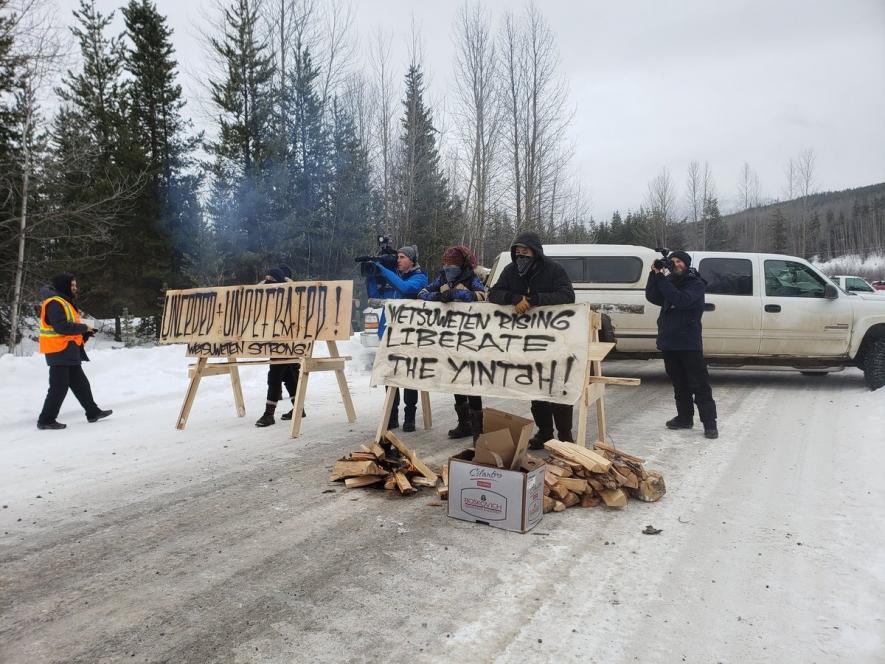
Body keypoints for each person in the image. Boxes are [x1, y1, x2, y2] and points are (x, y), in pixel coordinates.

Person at [488, 232, 576, 448]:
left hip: (554, 340)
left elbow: (567, 296)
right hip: (525, 342)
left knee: (557, 387)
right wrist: (514, 298)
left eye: (525, 252)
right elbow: (494, 293)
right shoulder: (510, 271)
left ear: (535, 253)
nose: (521, 256)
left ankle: (564, 436)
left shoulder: (554, 270)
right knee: (536, 387)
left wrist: (537, 300)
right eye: (517, 252)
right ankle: (545, 432)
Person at [644, 250, 719, 439]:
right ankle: (685, 418)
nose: (675, 264)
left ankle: (710, 424)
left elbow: (681, 300)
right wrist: (655, 274)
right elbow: (653, 296)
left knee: (699, 384)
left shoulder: (695, 283)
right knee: (679, 384)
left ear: (686, 264)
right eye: (672, 261)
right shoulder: (670, 282)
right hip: (669, 341)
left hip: (689, 343)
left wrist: (662, 280)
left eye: (679, 261)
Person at [418, 245, 488, 441]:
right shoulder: (441, 278)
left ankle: (477, 430)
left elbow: (482, 296)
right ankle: (464, 423)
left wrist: (459, 296)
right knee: (456, 381)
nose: (448, 267)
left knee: (471, 383)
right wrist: (439, 297)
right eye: (446, 263)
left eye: (453, 264)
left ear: (461, 264)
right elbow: (422, 293)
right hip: (449, 339)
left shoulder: (471, 278)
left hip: (470, 338)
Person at [36, 273, 112, 430]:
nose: (75, 288)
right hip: (59, 350)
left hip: (68, 350)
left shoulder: (64, 302)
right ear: (63, 286)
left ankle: (93, 412)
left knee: (81, 384)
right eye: (72, 285)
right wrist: (84, 327)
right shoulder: (55, 303)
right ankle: (46, 419)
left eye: (75, 285)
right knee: (58, 387)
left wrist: (85, 332)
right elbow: (61, 327)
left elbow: (69, 326)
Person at [367, 244, 428, 432]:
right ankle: (392, 416)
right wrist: (370, 275)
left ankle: (409, 417)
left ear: (412, 260)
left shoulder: (420, 277)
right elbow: (374, 296)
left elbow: (405, 288)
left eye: (403, 257)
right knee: (389, 377)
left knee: (408, 376)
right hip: (388, 334)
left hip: (410, 335)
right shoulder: (391, 279)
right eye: (398, 257)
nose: (399, 260)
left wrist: (383, 269)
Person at [255, 267, 303, 427]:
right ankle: (299, 408)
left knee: (274, 375)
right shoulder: (266, 293)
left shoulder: (290, 293)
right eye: (266, 278)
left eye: (271, 279)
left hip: (287, 338)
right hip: (276, 339)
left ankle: (269, 414)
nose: (268, 281)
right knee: (288, 375)